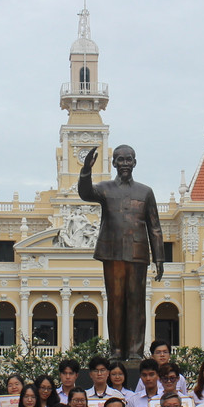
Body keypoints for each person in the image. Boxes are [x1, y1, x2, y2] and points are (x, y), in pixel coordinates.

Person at [78, 144, 165, 361]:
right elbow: (85, 193)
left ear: (134, 162)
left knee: (136, 303)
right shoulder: (105, 188)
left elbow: (154, 227)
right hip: (112, 252)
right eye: (120, 159)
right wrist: (86, 171)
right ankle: (116, 350)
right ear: (114, 163)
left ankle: (135, 352)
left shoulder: (145, 192)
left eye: (128, 159)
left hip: (138, 253)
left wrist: (160, 258)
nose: (125, 163)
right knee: (115, 302)